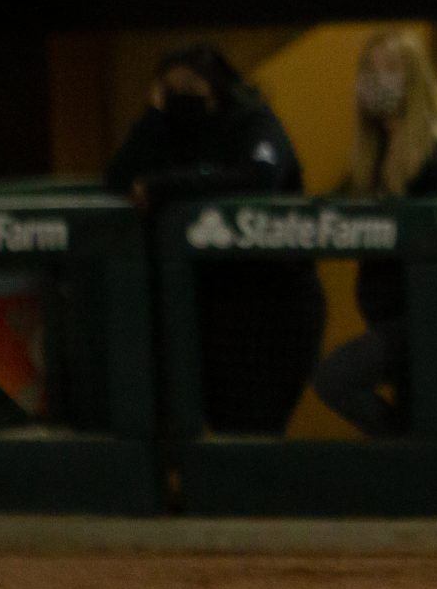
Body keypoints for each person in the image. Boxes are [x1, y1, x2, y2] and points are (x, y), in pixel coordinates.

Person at [106, 45, 326, 436]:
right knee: (216, 424)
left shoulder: (251, 121)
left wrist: (166, 186)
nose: (181, 97)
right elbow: (119, 178)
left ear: (216, 86)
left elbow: (259, 177)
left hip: (274, 302)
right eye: (170, 89)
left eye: (191, 86)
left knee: (258, 426)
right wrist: (153, 114)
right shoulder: (167, 129)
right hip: (208, 308)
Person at [312, 31, 437, 438]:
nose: (378, 79)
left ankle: (404, 454)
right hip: (388, 315)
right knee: (414, 413)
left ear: (416, 76)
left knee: (335, 378)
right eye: (369, 69)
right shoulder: (372, 154)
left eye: (391, 68)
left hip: (429, 314)